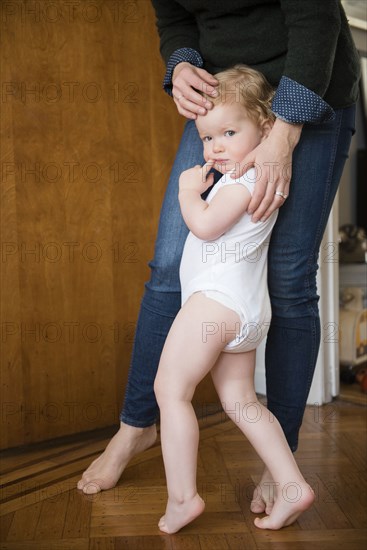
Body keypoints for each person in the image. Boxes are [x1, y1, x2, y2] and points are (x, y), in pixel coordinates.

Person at [78, 0, 360, 515]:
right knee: (168, 269)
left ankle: (282, 461)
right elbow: (175, 20)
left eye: (220, 142)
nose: (213, 149)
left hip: (309, 82)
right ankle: (135, 428)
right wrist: (181, 63)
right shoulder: (218, 135)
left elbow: (316, 18)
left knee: (290, 277)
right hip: (228, 97)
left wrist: (285, 129)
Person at [154, 64, 315, 534]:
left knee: (170, 390)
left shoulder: (244, 181)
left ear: (266, 128)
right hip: (244, 310)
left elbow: (204, 225)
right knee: (241, 401)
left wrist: (188, 193)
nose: (215, 146)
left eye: (228, 131)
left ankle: (182, 498)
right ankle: (290, 485)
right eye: (207, 138)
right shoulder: (256, 178)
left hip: (215, 303)